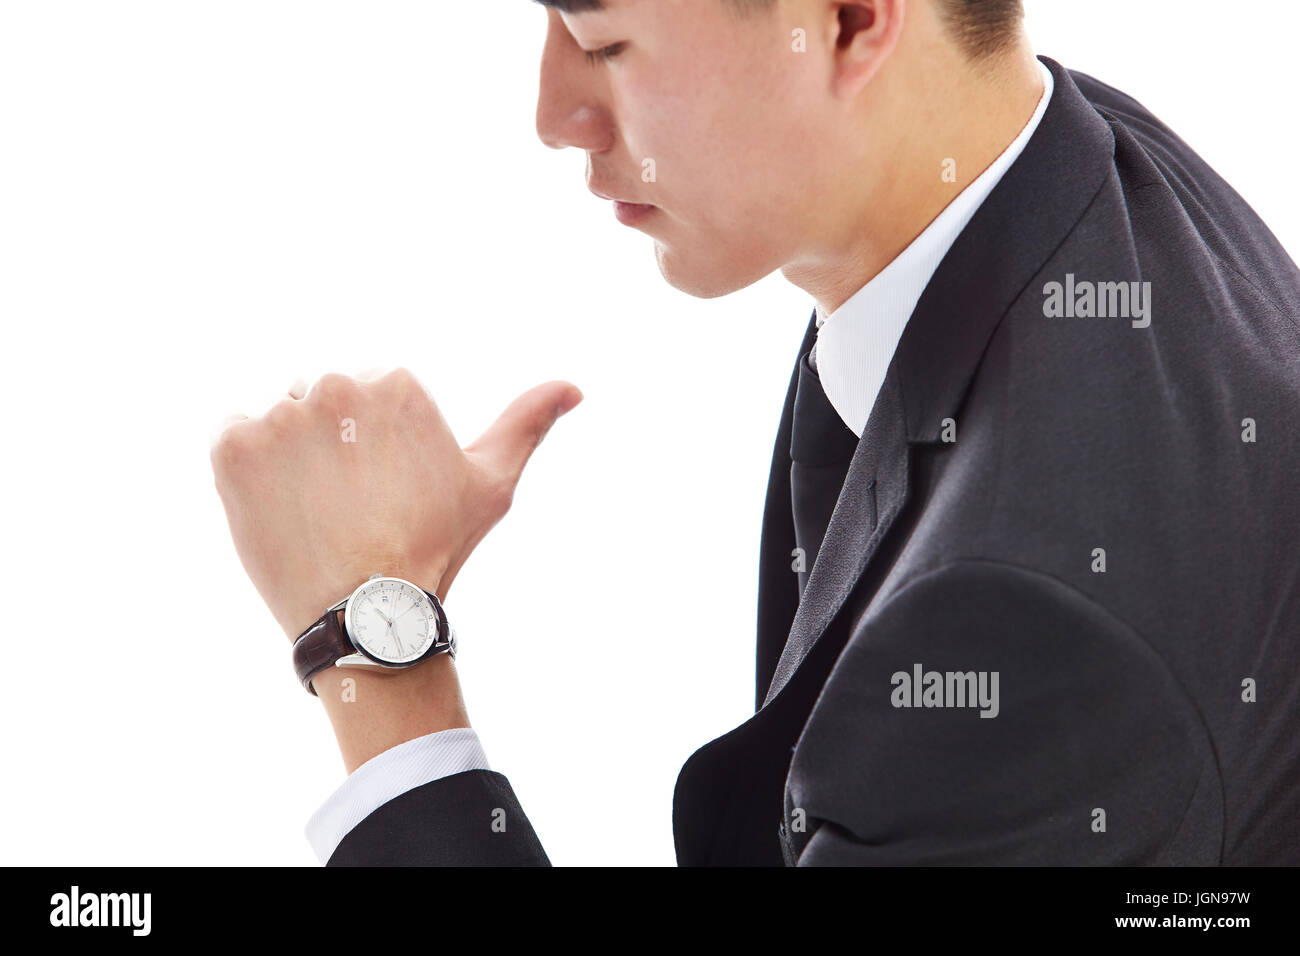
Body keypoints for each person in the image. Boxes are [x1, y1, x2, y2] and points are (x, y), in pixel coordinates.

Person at [210, 0, 1300, 865]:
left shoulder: (1020, 640)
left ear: (851, 19)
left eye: (603, 41)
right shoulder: (1059, 163)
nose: (552, 112)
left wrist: (372, 645)